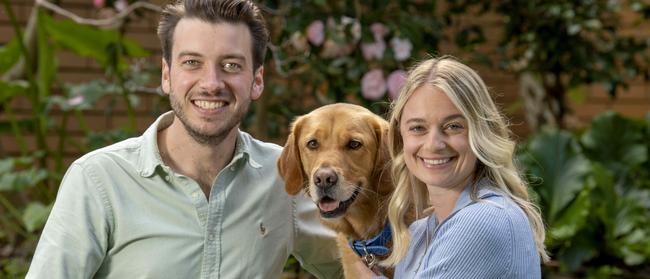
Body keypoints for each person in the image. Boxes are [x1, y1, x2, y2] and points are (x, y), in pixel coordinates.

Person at [26, 0, 343, 278]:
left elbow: (357, 267)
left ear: (257, 80)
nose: (211, 83)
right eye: (192, 63)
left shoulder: (283, 177)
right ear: (166, 75)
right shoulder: (99, 180)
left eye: (231, 65)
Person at [354, 56, 549, 278]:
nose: (434, 144)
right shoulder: (421, 234)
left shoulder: (482, 220)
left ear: (481, 132)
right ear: (401, 138)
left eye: (453, 126)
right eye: (418, 127)